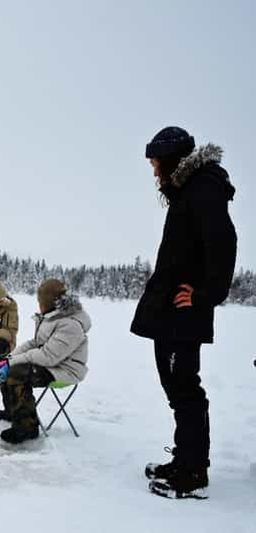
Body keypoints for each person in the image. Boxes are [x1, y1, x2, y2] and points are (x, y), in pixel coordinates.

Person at [131, 127, 237, 499]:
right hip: (170, 313)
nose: (154, 170)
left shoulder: (202, 187)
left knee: (184, 389)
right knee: (177, 388)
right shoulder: (186, 191)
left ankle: (193, 472)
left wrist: (205, 294)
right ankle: (184, 459)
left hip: (183, 314)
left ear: (172, 158)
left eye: (156, 161)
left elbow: (224, 242)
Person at [0, 279, 90, 444]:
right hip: (51, 365)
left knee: (15, 372)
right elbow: (35, 343)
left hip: (65, 370)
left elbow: (48, 356)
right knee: (4, 364)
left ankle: (27, 427)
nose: (39, 305)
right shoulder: (51, 317)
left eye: (40, 302)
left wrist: (12, 363)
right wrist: (9, 358)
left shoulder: (71, 324)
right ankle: (13, 411)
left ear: (50, 303)